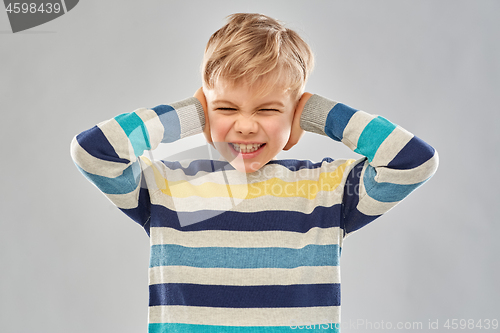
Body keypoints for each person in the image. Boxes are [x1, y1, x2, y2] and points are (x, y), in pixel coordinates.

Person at [71, 13, 438, 333]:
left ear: (294, 117)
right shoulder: (170, 185)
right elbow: (94, 151)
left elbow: (412, 161)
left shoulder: (328, 189)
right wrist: (191, 115)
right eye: (227, 108)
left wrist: (316, 113)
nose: (245, 125)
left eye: (267, 110)